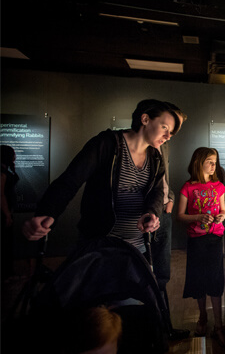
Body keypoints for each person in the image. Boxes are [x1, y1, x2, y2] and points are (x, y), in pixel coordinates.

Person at [22, 99, 179, 258]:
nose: (168, 136)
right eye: (164, 127)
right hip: (100, 244)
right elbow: (71, 180)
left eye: (171, 132)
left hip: (137, 247)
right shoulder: (107, 144)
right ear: (145, 119)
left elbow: (157, 191)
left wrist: (150, 213)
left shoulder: (155, 157)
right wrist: (48, 211)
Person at [176, 147, 225, 347]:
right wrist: (198, 217)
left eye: (215, 161)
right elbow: (180, 215)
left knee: (215, 281)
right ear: (198, 162)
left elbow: (223, 210)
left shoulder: (219, 186)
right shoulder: (188, 187)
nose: (213, 165)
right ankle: (202, 318)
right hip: (196, 240)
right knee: (198, 280)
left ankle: (218, 324)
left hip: (215, 238)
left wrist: (222, 216)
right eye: (209, 161)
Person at [152, 103, 190, 341]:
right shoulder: (145, 144)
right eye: (168, 126)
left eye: (175, 129)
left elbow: (163, 179)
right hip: (149, 217)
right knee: (147, 274)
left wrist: (171, 199)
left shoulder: (163, 146)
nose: (171, 133)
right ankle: (155, 330)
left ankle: (165, 329)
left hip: (163, 213)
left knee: (162, 274)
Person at [1, 145, 20, 283]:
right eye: (13, 154)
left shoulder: (5, 170)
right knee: (5, 244)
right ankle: (5, 275)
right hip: (3, 214)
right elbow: (0, 195)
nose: (15, 156)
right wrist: (7, 214)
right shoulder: (1, 172)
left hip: (6, 212)